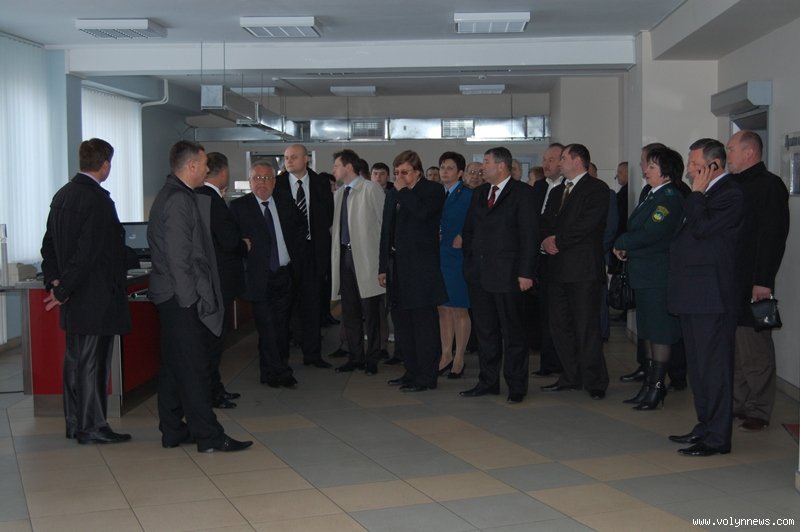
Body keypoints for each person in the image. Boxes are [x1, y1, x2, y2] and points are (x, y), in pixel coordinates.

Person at [148, 140, 251, 452]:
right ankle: (208, 435)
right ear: (191, 166)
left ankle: (172, 429)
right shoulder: (178, 200)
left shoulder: (173, 194)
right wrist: (190, 302)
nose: (207, 170)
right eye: (204, 164)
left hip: (172, 296)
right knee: (194, 368)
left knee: (173, 366)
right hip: (181, 299)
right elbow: (179, 259)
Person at [40, 138, 132, 445]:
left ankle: (75, 422)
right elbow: (88, 253)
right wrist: (63, 289)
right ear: (105, 165)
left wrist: (55, 280)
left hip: (75, 296)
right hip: (96, 296)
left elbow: (48, 245)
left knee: (75, 360)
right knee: (93, 363)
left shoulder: (62, 195)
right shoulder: (97, 200)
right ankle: (92, 426)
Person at [667, 138, 743, 457]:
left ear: (714, 165)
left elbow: (702, 229)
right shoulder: (706, 193)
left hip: (711, 296)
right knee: (699, 370)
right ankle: (705, 425)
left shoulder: (730, 194)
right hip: (693, 295)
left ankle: (717, 438)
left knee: (714, 369)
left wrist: (696, 194)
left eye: (694, 164)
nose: (688, 170)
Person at [460, 147, 538, 404]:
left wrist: (526, 272)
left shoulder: (523, 193)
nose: (482, 167)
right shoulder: (480, 193)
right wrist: (470, 261)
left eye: (486, 162)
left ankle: (516, 385)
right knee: (486, 331)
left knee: (513, 333)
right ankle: (488, 381)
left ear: (501, 166)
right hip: (480, 275)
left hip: (509, 276)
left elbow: (529, 235)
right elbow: (469, 230)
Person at [727, 130, 790, 432]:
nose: (727, 155)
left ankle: (759, 409)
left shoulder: (770, 185)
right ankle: (738, 402)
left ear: (749, 152)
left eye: (731, 149)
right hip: (730, 281)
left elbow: (773, 236)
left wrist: (764, 280)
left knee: (756, 347)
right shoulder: (732, 184)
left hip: (755, 283)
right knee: (737, 347)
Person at [613, 147, 684, 410]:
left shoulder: (669, 198)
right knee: (649, 332)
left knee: (660, 332)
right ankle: (649, 384)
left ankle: (656, 388)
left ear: (666, 171)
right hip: (644, 275)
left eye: (652, 167)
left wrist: (622, 242)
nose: (646, 171)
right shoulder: (652, 194)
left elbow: (652, 233)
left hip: (657, 276)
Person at [540, 143, 610, 400]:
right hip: (557, 270)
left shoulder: (596, 189)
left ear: (578, 160)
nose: (559, 162)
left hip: (582, 270)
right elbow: (544, 222)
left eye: (563, 158)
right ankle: (570, 375)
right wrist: (544, 240)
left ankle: (595, 380)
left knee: (586, 327)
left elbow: (587, 224)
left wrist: (558, 240)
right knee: (560, 326)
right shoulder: (558, 190)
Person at [230, 162, 306, 388]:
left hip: (283, 274)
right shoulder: (239, 207)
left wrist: (296, 251)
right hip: (258, 277)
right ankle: (281, 371)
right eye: (256, 178)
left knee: (281, 326)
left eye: (266, 178)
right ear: (250, 182)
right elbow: (230, 241)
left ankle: (270, 371)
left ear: (274, 182)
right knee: (267, 326)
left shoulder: (284, 201)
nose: (261, 182)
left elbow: (301, 225)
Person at [378, 150, 447, 392]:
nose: (399, 177)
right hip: (397, 268)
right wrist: (382, 266)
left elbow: (422, 214)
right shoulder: (393, 193)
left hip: (421, 270)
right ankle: (411, 371)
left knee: (423, 326)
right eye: (396, 172)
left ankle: (427, 377)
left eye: (405, 172)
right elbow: (386, 231)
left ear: (418, 172)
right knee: (403, 325)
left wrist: (404, 192)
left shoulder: (433, 190)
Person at [194, 152, 245, 409]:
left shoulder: (197, 196)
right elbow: (228, 241)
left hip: (206, 280)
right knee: (214, 340)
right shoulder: (213, 200)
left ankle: (214, 387)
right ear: (223, 172)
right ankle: (212, 391)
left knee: (209, 340)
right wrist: (244, 244)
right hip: (219, 281)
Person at [277, 144, 335, 367]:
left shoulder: (320, 183)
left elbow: (327, 216)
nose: (289, 161)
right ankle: (281, 358)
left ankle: (312, 355)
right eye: (286, 158)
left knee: (312, 305)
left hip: (313, 252)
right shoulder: (278, 184)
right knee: (285, 306)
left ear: (306, 159)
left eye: (294, 157)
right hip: (287, 253)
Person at [331, 149, 385, 375]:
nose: (333, 170)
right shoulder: (339, 194)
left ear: (348, 167)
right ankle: (355, 356)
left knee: (371, 312)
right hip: (345, 257)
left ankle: (372, 358)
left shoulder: (371, 189)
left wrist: (383, 263)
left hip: (367, 259)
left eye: (336, 165)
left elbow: (384, 225)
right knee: (350, 311)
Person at [435, 152, 473, 379]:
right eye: (442, 167)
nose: (444, 172)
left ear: (460, 172)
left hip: (458, 257)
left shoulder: (468, 195)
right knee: (443, 308)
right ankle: (446, 354)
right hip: (439, 255)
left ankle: (459, 357)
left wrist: (464, 236)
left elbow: (477, 222)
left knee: (459, 308)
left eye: (450, 168)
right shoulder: (437, 194)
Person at [530, 143, 565, 378]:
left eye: (551, 160)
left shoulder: (567, 188)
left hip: (560, 258)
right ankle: (547, 362)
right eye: (544, 159)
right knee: (543, 313)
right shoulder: (540, 186)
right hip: (540, 259)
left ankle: (562, 363)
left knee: (560, 315)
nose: (546, 164)